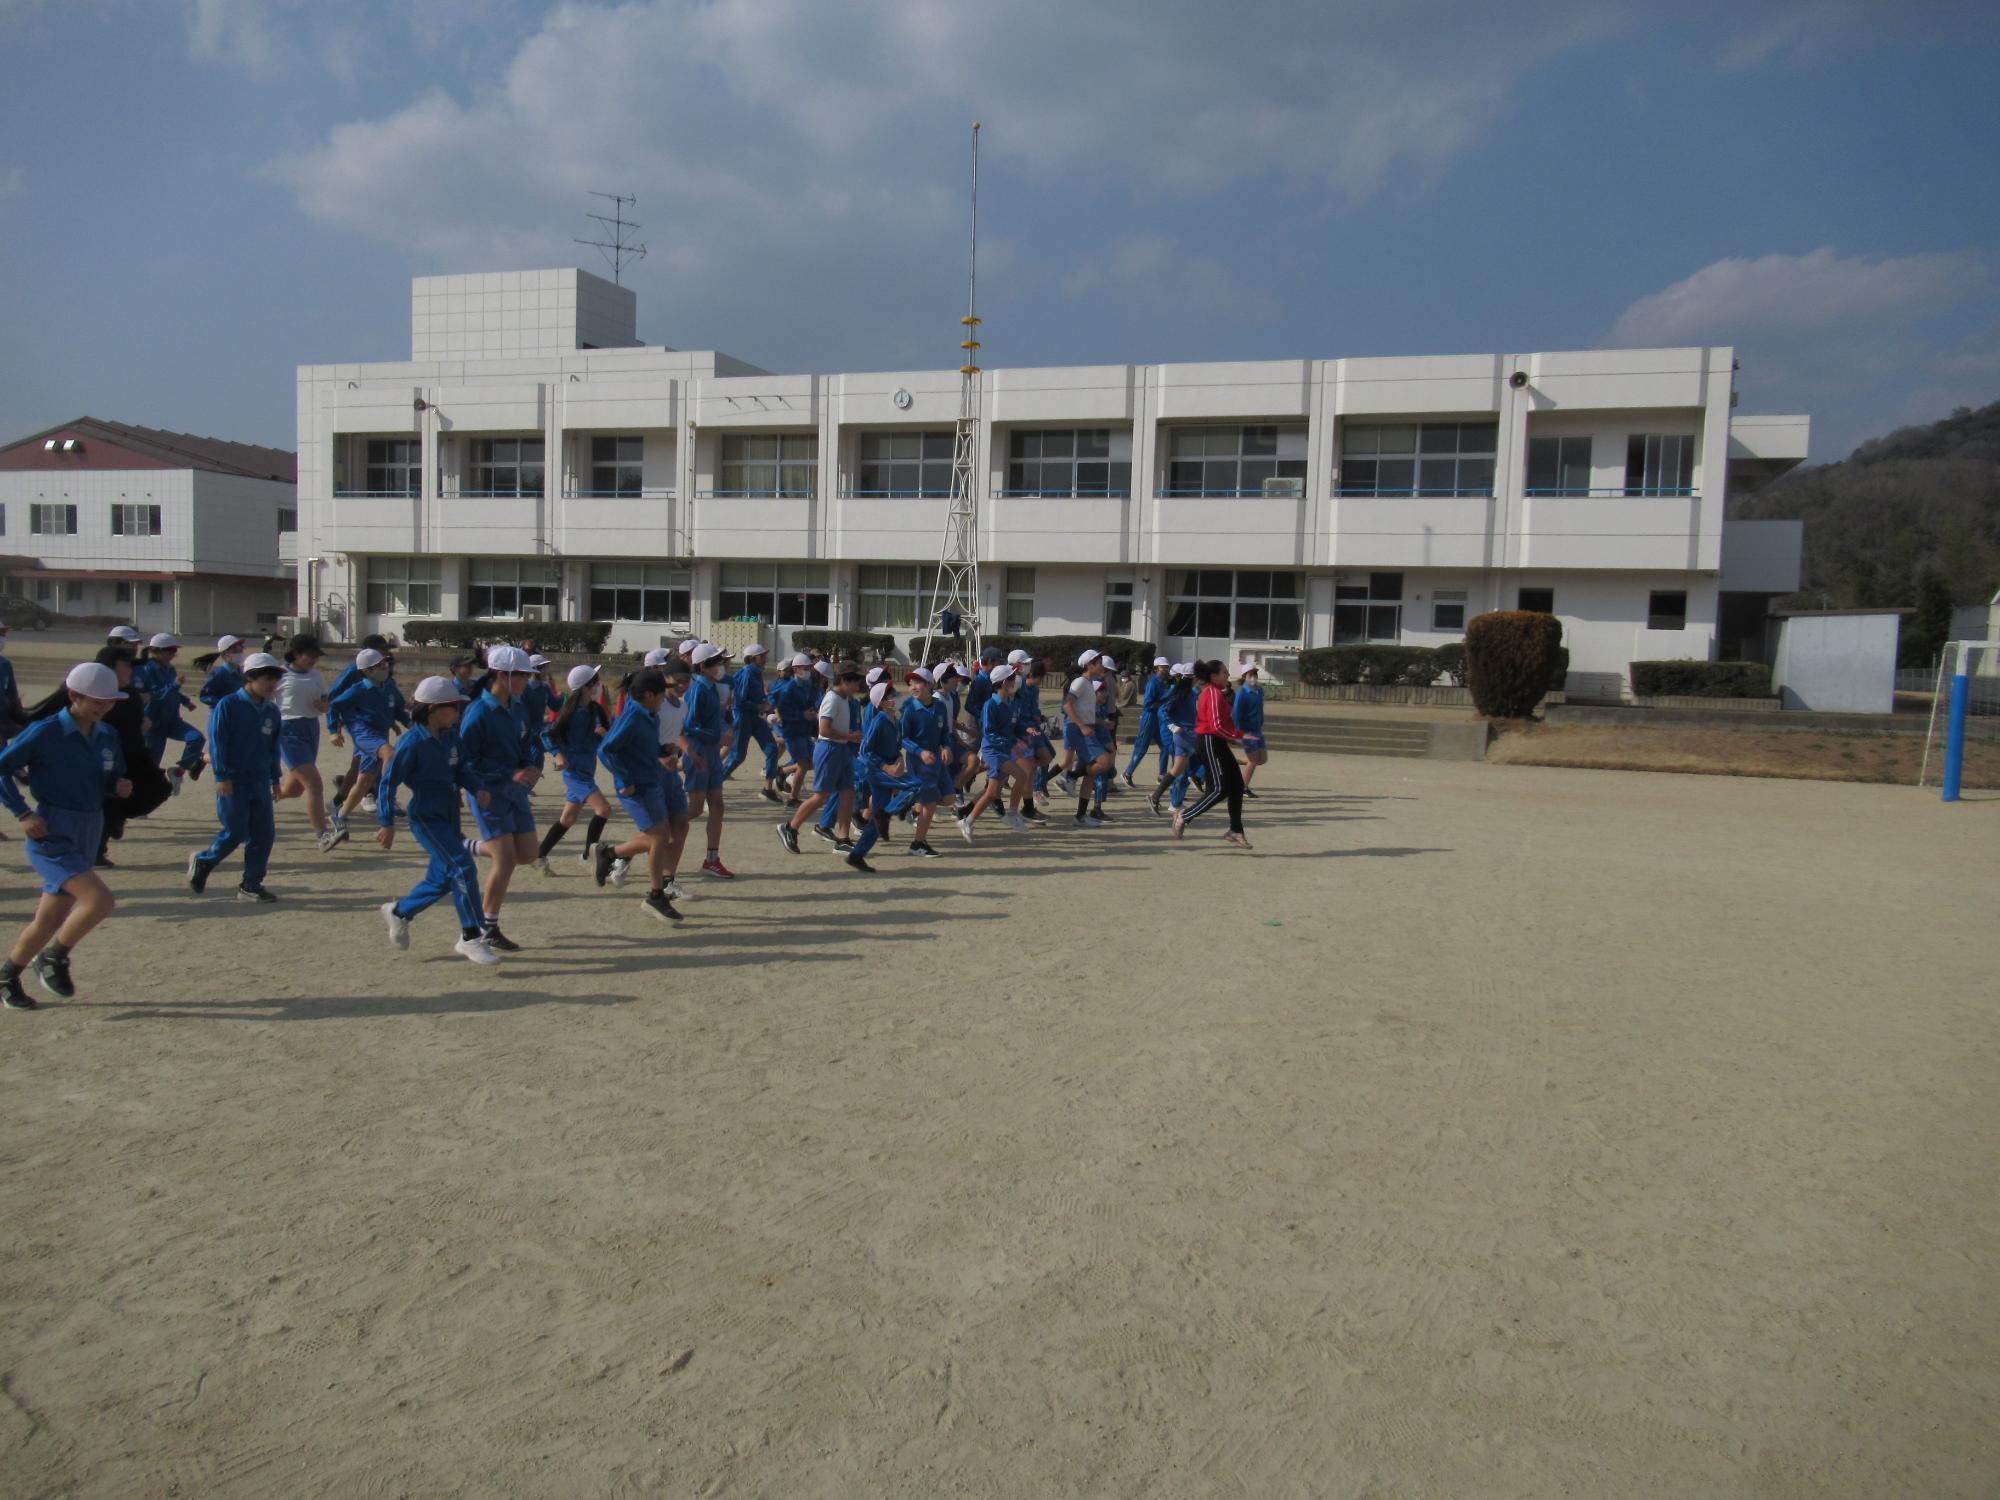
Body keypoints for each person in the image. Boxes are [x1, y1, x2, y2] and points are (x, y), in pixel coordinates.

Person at [0, 662, 133, 1008]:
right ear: (74, 696)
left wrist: (119, 786)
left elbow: (111, 779)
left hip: (89, 828)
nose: (104, 707)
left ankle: (6, 978)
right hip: (51, 832)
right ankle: (53, 957)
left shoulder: (108, 735)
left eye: (110, 701)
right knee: (100, 902)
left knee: (49, 919)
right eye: (97, 701)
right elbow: (3, 767)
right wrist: (23, 813)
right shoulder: (45, 732)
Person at [374, 677, 500, 964]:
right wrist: (386, 822)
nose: (458, 713)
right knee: (463, 867)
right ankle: (472, 936)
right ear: (432, 709)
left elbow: (462, 769)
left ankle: (400, 912)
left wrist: (477, 787)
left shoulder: (451, 737)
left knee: (443, 879)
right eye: (453, 707)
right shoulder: (411, 743)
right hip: (426, 817)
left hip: (449, 814)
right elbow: (388, 783)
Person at [456, 645, 543, 950]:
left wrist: (529, 765)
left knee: (528, 854)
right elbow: (467, 761)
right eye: (521, 675)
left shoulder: (518, 706)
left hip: (514, 791)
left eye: (527, 675)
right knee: (504, 860)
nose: (526, 680)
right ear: (501, 675)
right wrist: (508, 773)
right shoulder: (478, 712)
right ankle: (487, 927)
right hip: (488, 792)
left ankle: (467, 846)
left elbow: (524, 742)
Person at [186, 652, 286, 900]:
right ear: (250, 677)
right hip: (233, 780)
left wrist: (275, 778)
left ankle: (251, 885)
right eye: (267, 678)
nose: (272, 684)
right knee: (236, 832)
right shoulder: (229, 705)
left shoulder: (272, 711)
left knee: (264, 835)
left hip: (259, 780)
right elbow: (218, 743)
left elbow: (273, 748)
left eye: (275, 679)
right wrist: (222, 776)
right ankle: (205, 860)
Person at [591, 667, 685, 921]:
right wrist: (625, 779)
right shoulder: (632, 716)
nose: (665, 697)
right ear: (648, 695)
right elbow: (606, 750)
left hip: (651, 781)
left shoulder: (651, 715)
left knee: (661, 837)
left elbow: (643, 746)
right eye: (662, 693)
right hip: (636, 787)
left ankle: (609, 854)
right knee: (659, 838)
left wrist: (662, 750)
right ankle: (656, 895)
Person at [536, 664, 613, 873]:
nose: (599, 686)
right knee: (604, 809)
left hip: (587, 770)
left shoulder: (595, 710)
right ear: (585, 687)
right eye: (595, 682)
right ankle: (588, 856)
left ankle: (539, 855)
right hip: (575, 773)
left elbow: (606, 736)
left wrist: (605, 735)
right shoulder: (571, 712)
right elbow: (546, 734)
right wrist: (558, 755)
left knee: (568, 819)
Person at [777, 668, 863, 854]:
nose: (857, 687)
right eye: (856, 683)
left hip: (841, 748)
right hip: (829, 749)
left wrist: (848, 736)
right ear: (845, 681)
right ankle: (790, 827)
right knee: (821, 795)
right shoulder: (832, 699)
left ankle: (843, 839)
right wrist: (849, 736)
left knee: (848, 793)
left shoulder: (843, 699)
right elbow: (824, 729)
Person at [273, 635, 343, 851]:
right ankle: (323, 835)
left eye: (316, 656)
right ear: (296, 654)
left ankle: (256, 798)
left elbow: (326, 703)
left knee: (294, 790)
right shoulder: (278, 675)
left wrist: (323, 706)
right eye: (310, 655)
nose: (314, 660)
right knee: (314, 784)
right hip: (288, 731)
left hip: (310, 730)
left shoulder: (316, 675)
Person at [1175, 659, 1252, 848]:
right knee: (1219, 789)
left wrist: (1241, 734)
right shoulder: (1212, 693)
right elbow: (1217, 726)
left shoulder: (1217, 693)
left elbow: (1226, 723)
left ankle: (1235, 830)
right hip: (1209, 741)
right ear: (1214, 676)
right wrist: (1239, 738)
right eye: (1224, 672)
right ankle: (1184, 815)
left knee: (1237, 785)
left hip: (1216, 742)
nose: (1228, 675)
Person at [955, 664, 1033, 841]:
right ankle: (1012, 814)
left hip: (1002, 750)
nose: (1015, 681)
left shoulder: (1008, 703)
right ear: (1004, 682)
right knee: (1021, 775)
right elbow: (989, 732)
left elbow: (1011, 728)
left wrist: (1023, 734)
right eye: (1012, 678)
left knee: (992, 793)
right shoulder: (990, 705)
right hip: (993, 751)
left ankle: (967, 821)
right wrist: (1013, 743)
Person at [327, 648, 397, 831]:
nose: (385, 667)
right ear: (367, 671)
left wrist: (404, 723)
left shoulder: (388, 686)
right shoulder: (357, 689)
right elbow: (333, 706)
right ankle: (386, 799)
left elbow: (395, 708)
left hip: (379, 734)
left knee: (364, 780)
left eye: (384, 663)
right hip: (364, 734)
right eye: (379, 665)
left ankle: (339, 815)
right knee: (389, 754)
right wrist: (333, 730)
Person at [682, 643, 735, 878]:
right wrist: (718, 736)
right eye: (717, 661)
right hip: (699, 752)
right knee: (694, 808)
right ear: (703, 666)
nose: (721, 665)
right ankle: (654, 835)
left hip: (711, 752)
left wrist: (722, 732)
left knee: (717, 805)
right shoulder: (698, 689)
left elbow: (713, 720)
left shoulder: (711, 687)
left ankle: (712, 860)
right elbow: (689, 726)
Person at [890, 667, 950, 857]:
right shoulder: (909, 709)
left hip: (937, 760)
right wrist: (920, 751)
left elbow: (944, 732)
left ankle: (912, 797)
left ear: (930, 684)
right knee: (930, 802)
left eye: (917, 682)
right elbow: (903, 738)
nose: (913, 687)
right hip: (919, 761)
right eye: (910, 684)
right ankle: (918, 844)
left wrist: (946, 747)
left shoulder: (939, 706)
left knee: (949, 798)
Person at [135, 634, 206, 793]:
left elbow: (174, 691)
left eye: (175, 650)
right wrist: (174, 685)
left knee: (197, 738)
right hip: (153, 724)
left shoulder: (170, 669)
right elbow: (155, 694)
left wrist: (186, 702)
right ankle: (141, 798)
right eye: (170, 650)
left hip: (172, 719)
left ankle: (178, 771)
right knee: (151, 767)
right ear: (156, 651)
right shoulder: (147, 670)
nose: (173, 654)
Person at [721, 644, 784, 799]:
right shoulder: (747, 673)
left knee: (772, 749)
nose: (765, 659)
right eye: (762, 656)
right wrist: (759, 706)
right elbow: (739, 701)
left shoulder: (756, 673)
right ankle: (713, 785)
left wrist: (763, 703)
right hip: (743, 716)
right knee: (737, 756)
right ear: (753, 658)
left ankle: (767, 789)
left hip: (754, 716)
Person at [1062, 650, 1115, 827]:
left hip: (1086, 727)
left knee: (1092, 774)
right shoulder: (1081, 682)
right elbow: (1067, 705)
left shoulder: (1089, 683)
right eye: (1098, 662)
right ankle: (1071, 775)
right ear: (1089, 665)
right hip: (1078, 730)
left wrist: (1101, 722)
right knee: (1105, 761)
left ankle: (1080, 816)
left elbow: (1085, 711)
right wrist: (1082, 726)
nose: (1101, 665)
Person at [768, 652, 819, 807]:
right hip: (793, 732)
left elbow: (810, 704)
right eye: (805, 668)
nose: (808, 671)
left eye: (809, 668)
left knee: (811, 762)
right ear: (796, 669)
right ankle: (792, 798)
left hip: (803, 730)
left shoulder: (807, 686)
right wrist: (802, 715)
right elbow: (783, 711)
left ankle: (783, 773)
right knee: (803, 764)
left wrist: (812, 713)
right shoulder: (789, 688)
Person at [1122, 657, 1174, 787]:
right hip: (1149, 717)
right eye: (1163, 667)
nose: (1165, 669)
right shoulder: (1153, 683)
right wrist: (1164, 701)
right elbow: (1148, 703)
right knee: (1142, 748)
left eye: (1166, 667)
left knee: (1165, 746)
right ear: (1156, 668)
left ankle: (1162, 775)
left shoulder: (1162, 682)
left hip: (1158, 718)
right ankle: (1127, 773)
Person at [1234, 664, 1267, 796]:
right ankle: (1242, 788)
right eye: (1250, 674)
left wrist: (1261, 721)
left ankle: (1229, 761)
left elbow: (1260, 709)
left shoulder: (1259, 691)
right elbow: (1236, 714)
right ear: (1244, 677)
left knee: (1262, 759)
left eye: (1255, 674)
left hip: (1257, 730)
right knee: (1253, 760)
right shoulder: (1242, 693)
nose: (1253, 677)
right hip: (1247, 731)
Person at [197, 635, 249, 708]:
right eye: (235, 650)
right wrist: (225, 704)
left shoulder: (242, 672)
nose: (239, 654)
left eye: (241, 650)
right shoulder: (219, 673)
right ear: (224, 655)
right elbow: (205, 696)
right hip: (224, 713)